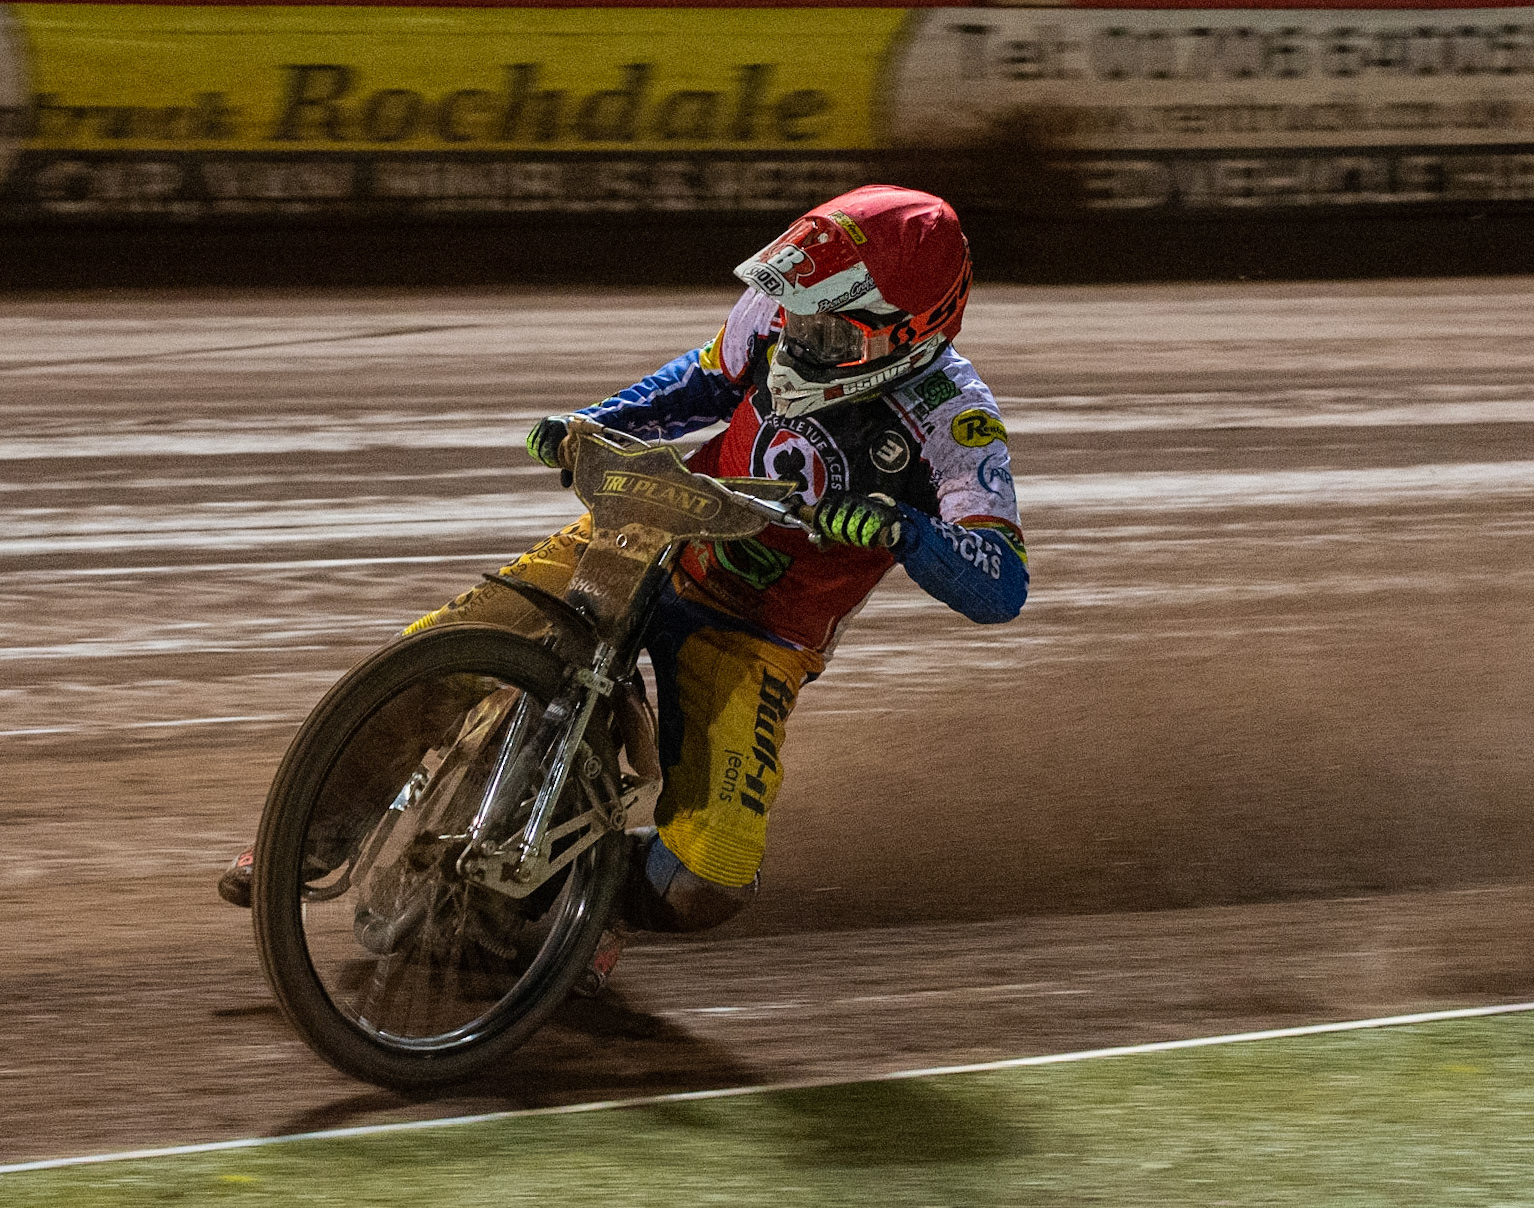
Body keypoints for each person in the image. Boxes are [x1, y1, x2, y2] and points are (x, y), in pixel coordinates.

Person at [218, 184, 1027, 992]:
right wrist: (593, 426)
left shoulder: (956, 423)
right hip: (655, 528)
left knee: (706, 880)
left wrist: (902, 528)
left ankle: (574, 897)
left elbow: (999, 585)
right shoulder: (773, 310)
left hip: (756, 630)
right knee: (438, 648)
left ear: (912, 334)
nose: (799, 337)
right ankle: (307, 834)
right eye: (794, 313)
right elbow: (699, 384)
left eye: (828, 329)